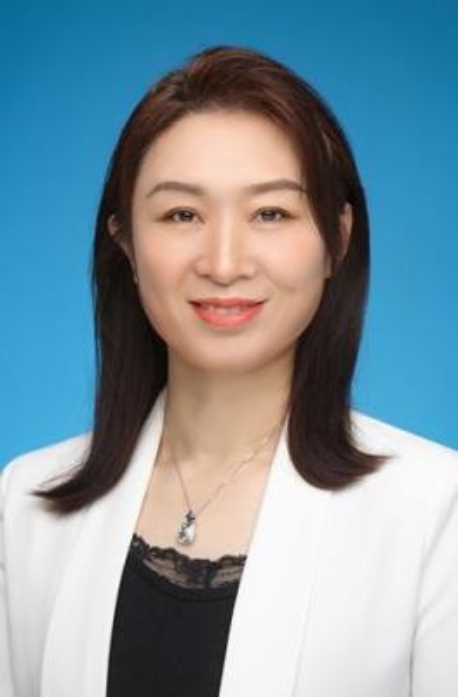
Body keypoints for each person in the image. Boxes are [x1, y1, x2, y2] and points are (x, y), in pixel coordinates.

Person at [1, 44, 457, 697]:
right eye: (182, 214)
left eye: (271, 213)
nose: (223, 262)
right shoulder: (24, 504)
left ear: (337, 239)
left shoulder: (437, 511)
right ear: (125, 243)